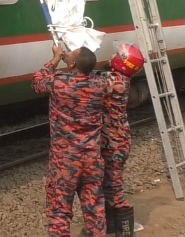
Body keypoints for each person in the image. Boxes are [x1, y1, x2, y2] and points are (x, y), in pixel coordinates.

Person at [32, 43, 108, 237]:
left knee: (59, 210)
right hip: (92, 158)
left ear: (72, 63)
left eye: (70, 55)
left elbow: (37, 82)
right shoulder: (100, 85)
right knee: (95, 208)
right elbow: (90, 70)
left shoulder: (60, 82)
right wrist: (75, 61)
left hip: (65, 160)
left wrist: (57, 58)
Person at [100, 42, 145, 237]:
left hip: (114, 144)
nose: (112, 55)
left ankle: (125, 231)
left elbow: (86, 81)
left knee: (114, 187)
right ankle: (110, 227)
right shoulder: (119, 79)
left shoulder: (114, 83)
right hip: (115, 141)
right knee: (107, 184)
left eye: (117, 54)